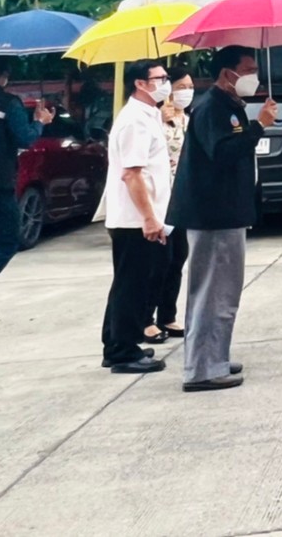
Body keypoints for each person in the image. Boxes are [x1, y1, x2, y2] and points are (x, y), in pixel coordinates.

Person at [165, 46, 276, 392]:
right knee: (213, 292)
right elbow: (224, 152)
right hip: (212, 214)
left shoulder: (228, 105)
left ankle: (215, 355)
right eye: (248, 69)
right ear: (228, 73)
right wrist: (259, 126)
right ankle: (202, 369)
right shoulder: (212, 107)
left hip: (225, 211)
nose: (253, 76)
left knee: (224, 291)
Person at [100, 59, 173, 374]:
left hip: (141, 217)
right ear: (140, 83)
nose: (165, 83)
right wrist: (149, 218)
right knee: (133, 286)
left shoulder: (149, 114)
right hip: (135, 219)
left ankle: (116, 344)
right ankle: (123, 353)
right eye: (159, 78)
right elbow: (132, 174)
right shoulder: (134, 121)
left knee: (128, 284)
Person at [0, 59, 54, 281]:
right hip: (0, 184)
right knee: (8, 239)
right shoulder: (8, 103)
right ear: (4, 77)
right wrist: (39, 121)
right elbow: (26, 138)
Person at [147, 69, 193, 342]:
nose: (187, 92)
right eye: (181, 86)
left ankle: (168, 315)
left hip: (181, 198)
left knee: (178, 257)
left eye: (190, 86)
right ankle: (146, 318)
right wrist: (162, 121)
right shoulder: (155, 120)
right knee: (158, 261)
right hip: (159, 198)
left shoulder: (189, 120)